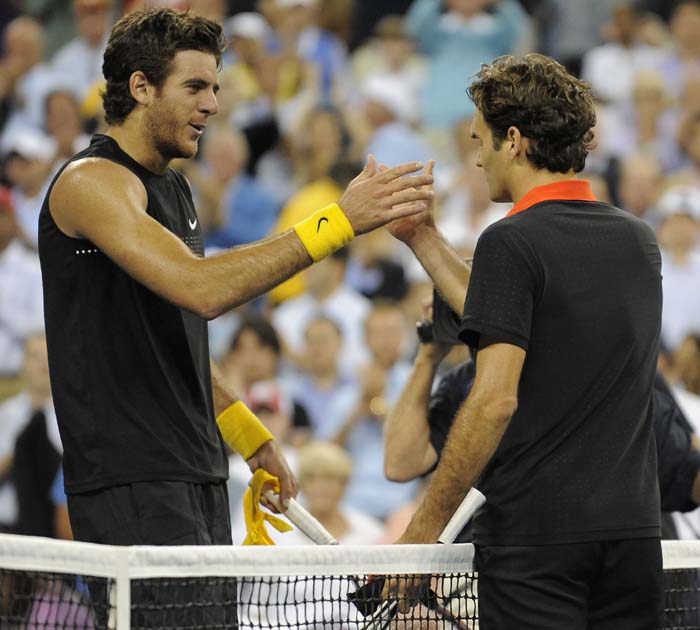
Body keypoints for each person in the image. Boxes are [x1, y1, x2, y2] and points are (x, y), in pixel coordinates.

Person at [37, 7, 433, 555]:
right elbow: (201, 290)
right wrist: (336, 222)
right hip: (131, 477)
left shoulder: (173, 188)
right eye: (196, 86)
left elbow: (178, 334)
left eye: (216, 88)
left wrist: (247, 435)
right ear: (141, 87)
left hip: (195, 471)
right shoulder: (92, 182)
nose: (213, 105)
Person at [385, 53, 664, 629]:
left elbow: (493, 400)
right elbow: (526, 315)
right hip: (634, 535)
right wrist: (425, 238)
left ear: (512, 140)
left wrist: (421, 534)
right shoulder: (639, 241)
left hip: (538, 547)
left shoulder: (510, 242)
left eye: (479, 139)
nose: (477, 156)